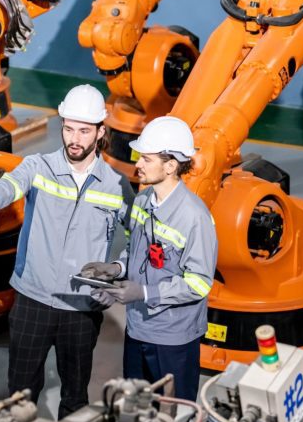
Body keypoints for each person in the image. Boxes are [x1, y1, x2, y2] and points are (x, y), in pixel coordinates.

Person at [0, 84, 133, 418]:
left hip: (81, 306)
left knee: (75, 395)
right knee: (20, 392)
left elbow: (141, 239)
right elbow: (8, 185)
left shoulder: (117, 186)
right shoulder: (39, 167)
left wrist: (117, 271)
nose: (74, 138)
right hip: (33, 299)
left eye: (84, 131)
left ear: (101, 132)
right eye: (69, 128)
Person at [81, 116, 217, 400]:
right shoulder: (142, 201)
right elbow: (136, 250)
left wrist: (143, 292)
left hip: (173, 338)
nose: (137, 165)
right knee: (137, 410)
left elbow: (199, 283)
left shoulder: (194, 217)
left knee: (173, 414)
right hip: (138, 328)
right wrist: (115, 268)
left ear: (170, 166)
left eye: (146, 159)